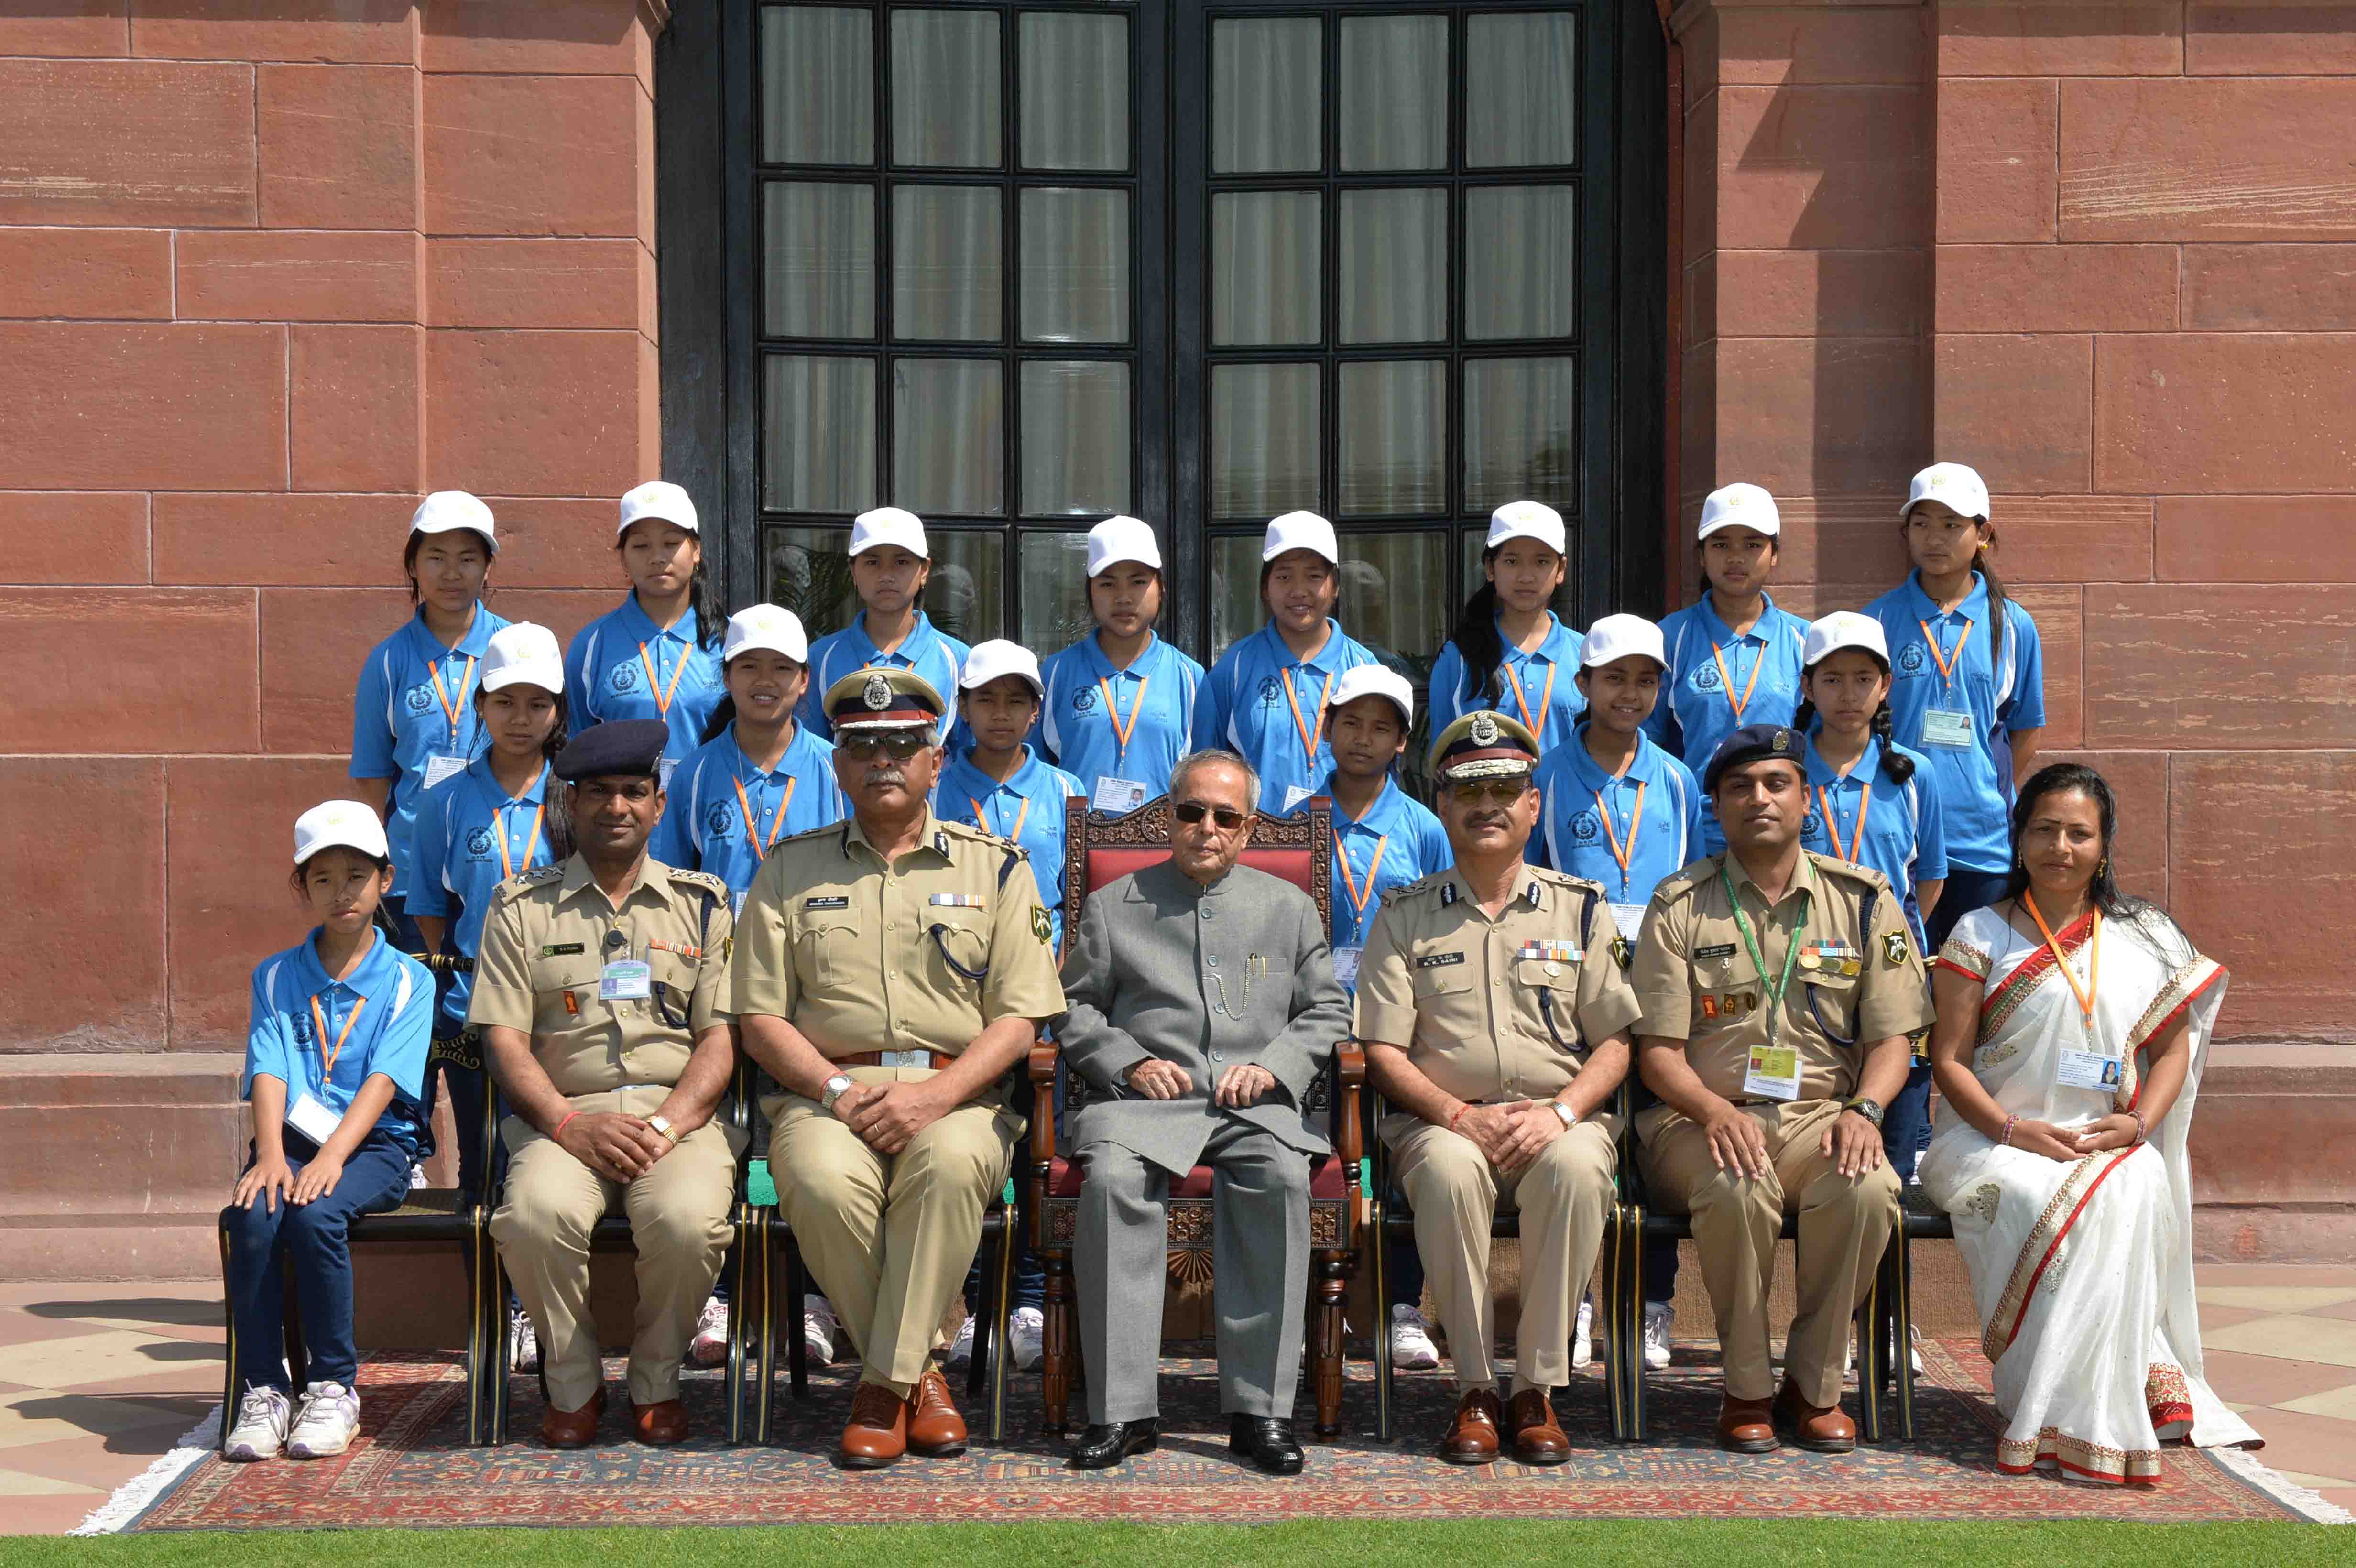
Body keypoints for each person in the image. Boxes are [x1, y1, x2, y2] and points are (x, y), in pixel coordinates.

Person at [731, 669, 1064, 1470]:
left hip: (958, 1095)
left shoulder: (997, 869)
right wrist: (840, 1091)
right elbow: (758, 1018)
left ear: (934, 761)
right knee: (817, 1181)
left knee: (949, 1169)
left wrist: (936, 1097)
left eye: (902, 744)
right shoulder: (785, 870)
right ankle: (922, 1376)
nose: (883, 759)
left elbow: (1022, 1017)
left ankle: (881, 1386)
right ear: (837, 766)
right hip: (825, 1094)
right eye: (862, 746)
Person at [1920, 764, 2260, 1484]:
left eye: (2079, 833)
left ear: (2104, 847)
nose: (2060, 847)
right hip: (1990, 1142)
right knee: (2037, 1199)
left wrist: (2138, 1125)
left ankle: (2104, 1399)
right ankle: (2094, 1388)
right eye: (2044, 830)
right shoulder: (1980, 932)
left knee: (2134, 1184)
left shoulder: (2147, 934)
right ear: (2018, 840)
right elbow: (1947, 1060)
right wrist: (2012, 1130)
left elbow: (2174, 1050)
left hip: (2103, 1137)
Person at [1631, 723, 1930, 1454]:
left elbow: (1896, 1036)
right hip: (1696, 1121)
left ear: (1808, 799)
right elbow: (1657, 1053)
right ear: (1716, 807)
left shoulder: (1862, 900)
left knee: (1865, 1188)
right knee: (1737, 1187)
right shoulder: (1679, 905)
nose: (1757, 798)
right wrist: (1708, 1109)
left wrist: (1866, 1109)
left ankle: (1813, 1385)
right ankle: (1746, 1388)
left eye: (1775, 784)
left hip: (1820, 1118)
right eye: (1739, 787)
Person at [1056, 750, 1351, 1475]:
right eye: (1192, 812)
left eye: (1225, 816)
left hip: (1253, 1107)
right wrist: (1128, 1061)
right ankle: (1121, 1411)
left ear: (1248, 829)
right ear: (1170, 816)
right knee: (1112, 1186)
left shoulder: (1288, 908)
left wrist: (1275, 1067)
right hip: (1145, 1105)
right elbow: (1073, 1006)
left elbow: (1328, 1009)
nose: (1207, 828)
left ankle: (1261, 1412)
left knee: (1278, 1179)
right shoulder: (1114, 904)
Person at [1356, 712, 1637, 1465]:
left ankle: (1536, 1388)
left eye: (1505, 788)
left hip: (1559, 1117)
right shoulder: (1404, 915)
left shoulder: (1581, 907)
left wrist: (1563, 1112)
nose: (1488, 805)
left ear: (1534, 805)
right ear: (1441, 805)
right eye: (1467, 791)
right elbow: (1381, 1049)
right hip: (1443, 1125)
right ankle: (1476, 1388)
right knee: (1447, 1169)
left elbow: (1615, 1040)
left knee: (1580, 1167)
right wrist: (1455, 1115)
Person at [472, 721, 743, 1449]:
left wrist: (667, 1125)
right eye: (598, 792)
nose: (615, 807)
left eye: (633, 792)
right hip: (562, 1120)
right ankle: (574, 1383)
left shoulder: (705, 904)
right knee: (532, 1219)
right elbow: (504, 1040)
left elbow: (721, 1038)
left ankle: (656, 1379)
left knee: (688, 1224)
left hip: (675, 1120)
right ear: (569, 803)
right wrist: (568, 1126)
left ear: (659, 804)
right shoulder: (518, 907)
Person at [649, 602, 848, 1372]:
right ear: (726, 679)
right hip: (717, 986)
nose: (764, 683)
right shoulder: (696, 773)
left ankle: (813, 1300)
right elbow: (672, 885)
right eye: (747, 668)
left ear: (804, 682)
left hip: (811, 984)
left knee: (795, 1134)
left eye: (780, 670)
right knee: (723, 1136)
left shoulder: (834, 768)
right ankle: (723, 1299)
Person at [222, 802, 434, 1463]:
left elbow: (384, 1080)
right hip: (292, 1142)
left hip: (375, 1146)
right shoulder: (277, 975)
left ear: (384, 880)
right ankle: (265, 1389)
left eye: (356, 875)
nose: (341, 892)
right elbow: (270, 1066)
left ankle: (333, 1387)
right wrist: (273, 1156)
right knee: (253, 1216)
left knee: (316, 1216)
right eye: (322, 878)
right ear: (301, 887)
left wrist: (333, 1159)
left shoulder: (409, 978)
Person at [1528, 613, 1702, 1372]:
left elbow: (1693, 879)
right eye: (1613, 678)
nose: (1629, 693)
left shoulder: (1675, 775)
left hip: (1660, 974)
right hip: (1575, 980)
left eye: (1644, 680)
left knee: (1654, 1136)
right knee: (1585, 1138)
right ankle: (1569, 1301)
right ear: (1584, 684)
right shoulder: (1548, 773)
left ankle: (1650, 1305)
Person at [404, 621, 570, 1373]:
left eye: (537, 703)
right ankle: (495, 1313)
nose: (520, 717)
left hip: (559, 1010)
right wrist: (452, 969)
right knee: (482, 1163)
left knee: (547, 1156)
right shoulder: (444, 801)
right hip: (472, 1006)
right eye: (506, 701)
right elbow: (431, 906)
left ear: (558, 714)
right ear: (480, 706)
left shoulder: (573, 798)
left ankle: (548, 1310)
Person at [934, 639, 1084, 1373]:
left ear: (1035, 711)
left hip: (1040, 1003)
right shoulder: (932, 787)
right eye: (986, 700)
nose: (1001, 714)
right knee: (959, 1146)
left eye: (1015, 701)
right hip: (951, 1001)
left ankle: (1028, 1295)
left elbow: (1083, 907)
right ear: (963, 710)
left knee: (1038, 1148)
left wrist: (1046, 972)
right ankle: (971, 1303)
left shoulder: (1067, 791)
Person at [1304, 664, 1451, 1372]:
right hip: (1312, 1015)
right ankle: (1310, 1301)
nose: (1364, 739)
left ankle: (1401, 1307)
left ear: (1402, 742)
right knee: (1312, 1152)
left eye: (1382, 727)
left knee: (1400, 1157)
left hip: (1403, 1018)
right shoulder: (1296, 820)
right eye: (1351, 723)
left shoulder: (1424, 827)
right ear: (1326, 728)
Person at [1793, 611, 1948, 1189]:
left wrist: (1884, 942)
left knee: (1895, 1143)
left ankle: (1893, 1279)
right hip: (1804, 971)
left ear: (1885, 685)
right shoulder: (1784, 771)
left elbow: (1928, 879)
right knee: (1815, 1140)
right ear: (1806, 687)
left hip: (1893, 978)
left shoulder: (1913, 774)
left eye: (1863, 678)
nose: (1848, 694)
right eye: (1830, 679)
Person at [1865, 462, 2045, 953]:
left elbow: (2024, 728)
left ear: (1981, 534)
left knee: (1970, 979)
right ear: (1905, 533)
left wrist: (1979, 782)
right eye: (1922, 524)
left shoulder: (2012, 625)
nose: (1934, 538)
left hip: (1979, 840)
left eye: (1951, 525)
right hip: (1895, 830)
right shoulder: (1875, 619)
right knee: (1898, 977)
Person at [348, 492, 510, 945]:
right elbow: (373, 779)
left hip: (500, 863)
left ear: (488, 566)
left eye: (467, 558)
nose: (452, 573)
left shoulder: (514, 649)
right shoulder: (388, 660)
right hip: (411, 872)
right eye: (436, 557)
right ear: (413, 565)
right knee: (425, 1007)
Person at [1649, 484, 1810, 855]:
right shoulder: (1670, 637)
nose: (1736, 557)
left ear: (1775, 556)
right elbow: (1649, 741)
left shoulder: (1806, 639)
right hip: (1696, 832)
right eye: (1721, 545)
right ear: (1702, 556)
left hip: (1780, 832)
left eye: (1752, 545)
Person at [1192, 511, 1379, 816]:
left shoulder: (1363, 667)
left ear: (1335, 588)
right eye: (1284, 576)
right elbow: (1208, 767)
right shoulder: (1235, 668)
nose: (1299, 591)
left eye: (1314, 576)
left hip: (1342, 844)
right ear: (1265, 588)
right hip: (1256, 846)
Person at [1036, 516, 1203, 812]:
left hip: (1165, 849)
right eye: (1108, 584)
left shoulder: (1189, 676)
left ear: (1161, 588)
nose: (1124, 598)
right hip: (1077, 846)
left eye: (1138, 582)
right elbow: (1037, 769)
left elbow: (1204, 778)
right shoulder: (1056, 672)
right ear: (1090, 591)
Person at [564, 481, 727, 781]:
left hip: (708, 813)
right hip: (621, 818)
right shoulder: (591, 645)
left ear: (696, 551)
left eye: (671, 543)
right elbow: (578, 746)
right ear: (623, 558)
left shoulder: (728, 641)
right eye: (641, 546)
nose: (657, 557)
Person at [799, 507, 971, 749]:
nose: (886, 575)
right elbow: (813, 752)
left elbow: (966, 755)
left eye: (901, 562)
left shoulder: (958, 659)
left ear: (924, 571)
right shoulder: (821, 657)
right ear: (853, 572)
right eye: (872, 562)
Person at [1427, 500, 1586, 752]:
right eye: (1512, 562)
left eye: (1541, 562)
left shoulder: (1584, 654)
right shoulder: (1458, 656)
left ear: (1561, 569)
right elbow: (1442, 759)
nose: (1526, 576)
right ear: (1491, 568)